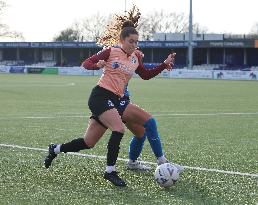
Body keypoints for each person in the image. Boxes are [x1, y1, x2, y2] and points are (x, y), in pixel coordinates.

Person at [44, 6, 180, 187]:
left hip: (116, 100)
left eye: (137, 42)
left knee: (89, 142)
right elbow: (86, 63)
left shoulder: (135, 58)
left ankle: (56, 148)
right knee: (119, 129)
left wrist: (164, 64)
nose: (134, 45)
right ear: (121, 40)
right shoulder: (111, 51)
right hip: (100, 96)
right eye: (131, 41)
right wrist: (97, 65)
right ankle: (110, 171)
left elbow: (146, 75)